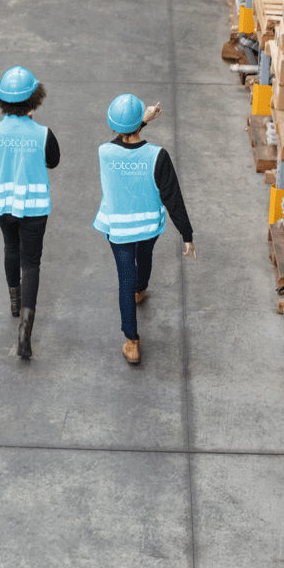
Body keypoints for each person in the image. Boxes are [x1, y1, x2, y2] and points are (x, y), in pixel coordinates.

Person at [93, 93, 196, 364]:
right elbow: (173, 198)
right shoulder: (157, 157)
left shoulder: (105, 153)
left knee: (123, 281)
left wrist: (140, 122)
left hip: (118, 229)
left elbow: (121, 139)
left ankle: (132, 342)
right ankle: (142, 289)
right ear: (140, 123)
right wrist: (187, 235)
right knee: (145, 258)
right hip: (148, 227)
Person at [0, 66, 60, 359]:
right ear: (34, 100)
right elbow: (53, 161)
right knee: (32, 262)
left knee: (10, 247)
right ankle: (26, 330)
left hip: (1, 206)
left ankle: (14, 303)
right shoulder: (42, 134)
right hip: (35, 208)